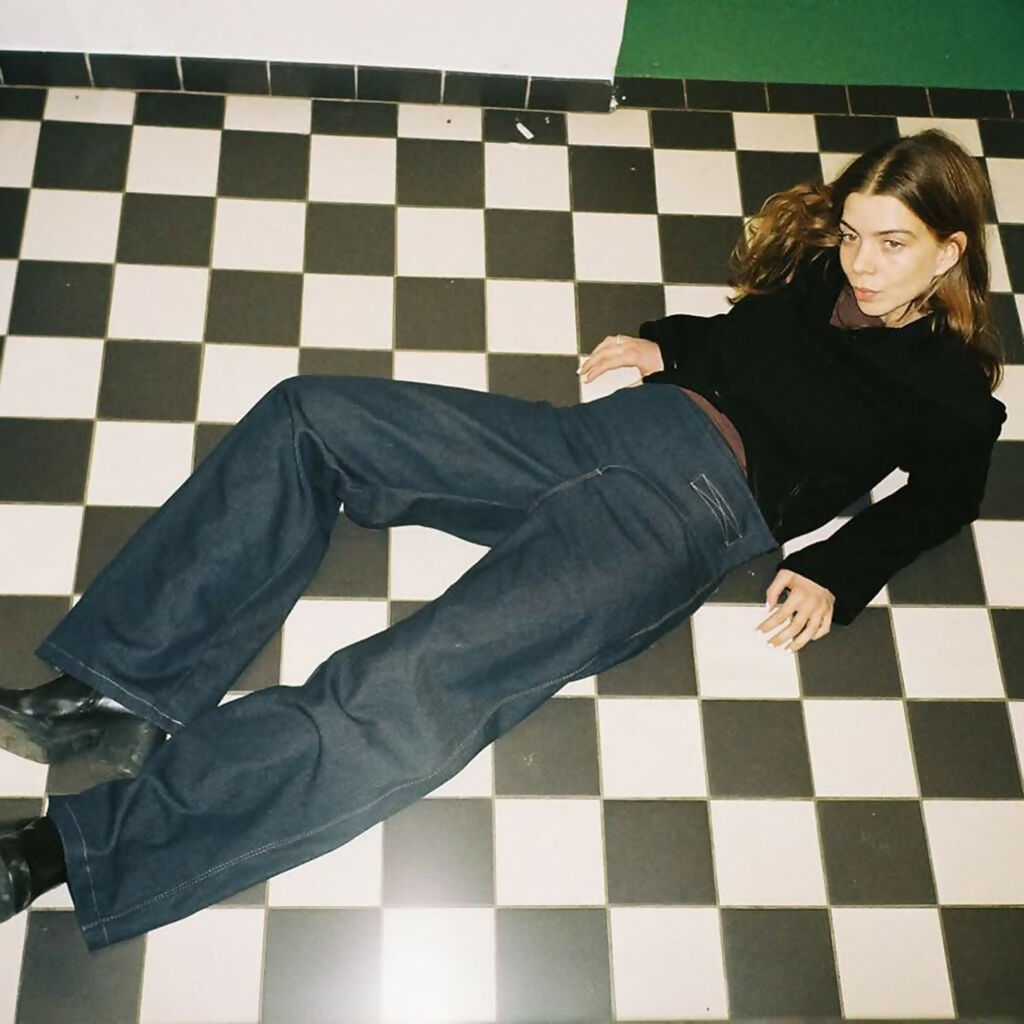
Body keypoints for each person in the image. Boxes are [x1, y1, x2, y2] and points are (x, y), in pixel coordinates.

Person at [0, 129, 1006, 948]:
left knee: (407, 684)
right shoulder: (824, 276)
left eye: (892, 244)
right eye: (853, 233)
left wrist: (835, 568)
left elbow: (941, 502)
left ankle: (65, 853)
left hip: (680, 519)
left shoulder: (952, 395)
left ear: (951, 249)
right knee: (312, 417)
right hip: (600, 435)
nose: (860, 263)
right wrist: (669, 343)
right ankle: (113, 693)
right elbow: (751, 341)